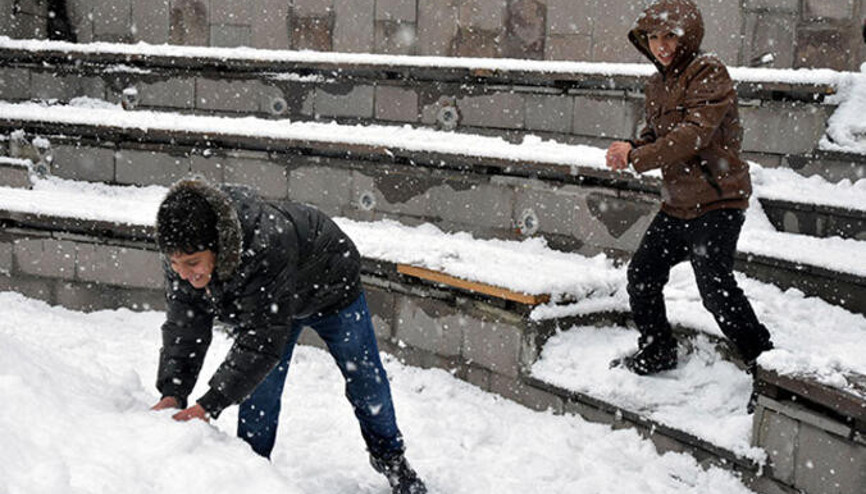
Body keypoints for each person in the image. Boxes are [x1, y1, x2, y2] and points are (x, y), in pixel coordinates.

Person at [150, 178, 427, 494]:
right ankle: (252, 477)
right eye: (175, 265)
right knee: (259, 394)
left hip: (331, 287)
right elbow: (185, 326)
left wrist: (208, 405)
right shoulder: (181, 249)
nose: (183, 273)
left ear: (217, 245)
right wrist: (173, 391)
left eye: (192, 264)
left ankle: (392, 461)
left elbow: (260, 340)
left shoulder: (263, 244)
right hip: (276, 299)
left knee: (366, 380)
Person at [605, 0, 773, 381]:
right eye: (653, 37)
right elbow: (656, 134)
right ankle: (659, 350)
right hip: (678, 204)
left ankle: (767, 370)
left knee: (716, 291)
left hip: (717, 202)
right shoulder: (657, 83)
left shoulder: (708, 71)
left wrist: (637, 155)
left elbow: (693, 135)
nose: (660, 46)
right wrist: (631, 146)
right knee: (642, 275)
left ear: (687, 37)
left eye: (669, 36)